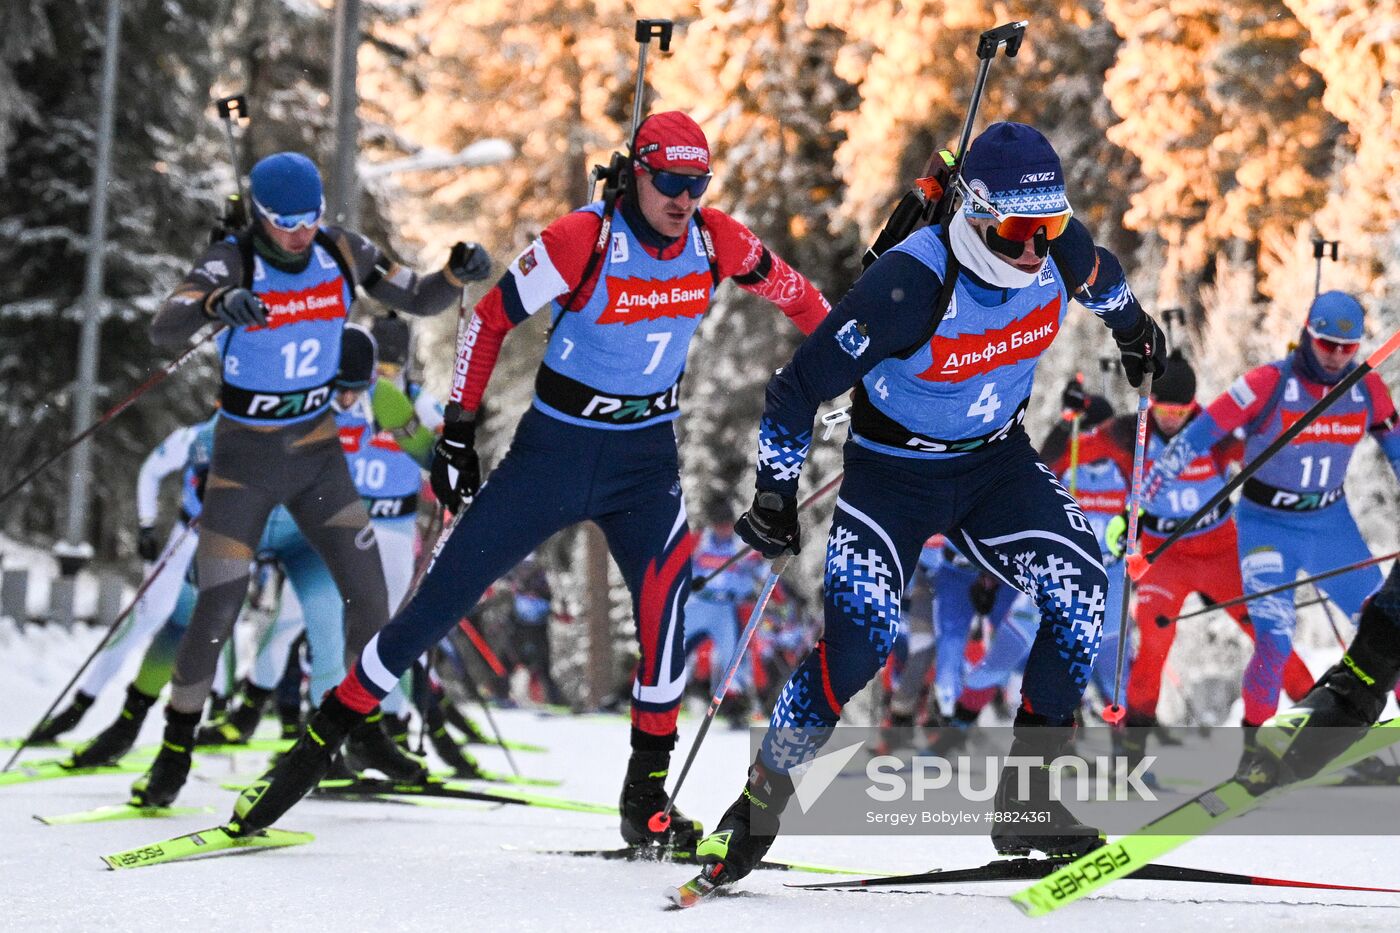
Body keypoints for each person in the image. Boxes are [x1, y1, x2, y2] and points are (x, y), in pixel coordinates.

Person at [226, 112, 832, 848]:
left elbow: (801, 298)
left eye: (697, 184)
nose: (683, 198)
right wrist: (457, 429)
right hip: (555, 452)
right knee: (437, 603)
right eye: (670, 182)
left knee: (664, 608)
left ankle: (646, 798)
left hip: (643, 461)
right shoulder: (584, 237)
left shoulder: (716, 240)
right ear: (638, 172)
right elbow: (488, 319)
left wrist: (853, 357)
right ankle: (313, 749)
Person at [690, 122, 1168, 890]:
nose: (1034, 250)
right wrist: (775, 494)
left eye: (1046, 227)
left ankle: (1029, 803)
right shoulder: (911, 284)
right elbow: (794, 389)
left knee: (1082, 581)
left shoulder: (1057, 246)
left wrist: (1136, 329)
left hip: (996, 466)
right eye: (1016, 230)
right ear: (974, 212)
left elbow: (1103, 280)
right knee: (859, 645)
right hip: (891, 477)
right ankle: (754, 812)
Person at [132, 151, 490, 807]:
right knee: (218, 602)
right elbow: (167, 326)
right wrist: (218, 301)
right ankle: (173, 751)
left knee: (370, 593)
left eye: (310, 218)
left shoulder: (341, 249)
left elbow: (414, 295)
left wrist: (451, 271)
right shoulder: (234, 258)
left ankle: (369, 729)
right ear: (262, 216)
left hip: (317, 452)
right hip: (245, 458)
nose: (299, 231)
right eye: (285, 221)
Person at [1140, 293, 1400, 775]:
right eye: (1326, 343)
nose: (1335, 356)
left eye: (1347, 347)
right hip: (1266, 527)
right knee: (1275, 637)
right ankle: (1254, 752)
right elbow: (1196, 437)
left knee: (1389, 628)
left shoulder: (1367, 392)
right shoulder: (1266, 384)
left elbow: (1397, 451)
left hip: (1330, 524)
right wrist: (1144, 496)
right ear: (1306, 332)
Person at [1048, 354, 1314, 766]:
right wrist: (1068, 421)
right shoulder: (1126, 433)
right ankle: (1133, 754)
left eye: (1182, 410)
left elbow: (1269, 449)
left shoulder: (1214, 428)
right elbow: (1058, 459)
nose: (1173, 419)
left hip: (1221, 550)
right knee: (1153, 645)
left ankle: (1325, 725)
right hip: (1162, 555)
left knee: (1267, 630)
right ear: (1150, 402)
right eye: (1164, 409)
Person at [30, 411, 217, 747]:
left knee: (213, 629)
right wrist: (146, 525)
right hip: (185, 541)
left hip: (232, 550)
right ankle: (78, 708)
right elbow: (151, 470)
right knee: (140, 623)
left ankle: (219, 712)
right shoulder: (195, 438)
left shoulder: (271, 438)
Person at [684, 500, 764, 724]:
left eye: (727, 524)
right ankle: (649, 692)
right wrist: (689, 579)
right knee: (672, 645)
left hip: (725, 608)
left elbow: (759, 572)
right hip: (699, 604)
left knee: (732, 655)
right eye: (719, 525)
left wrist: (751, 578)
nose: (723, 529)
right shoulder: (699, 541)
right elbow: (677, 564)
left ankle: (733, 706)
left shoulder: (742, 546)